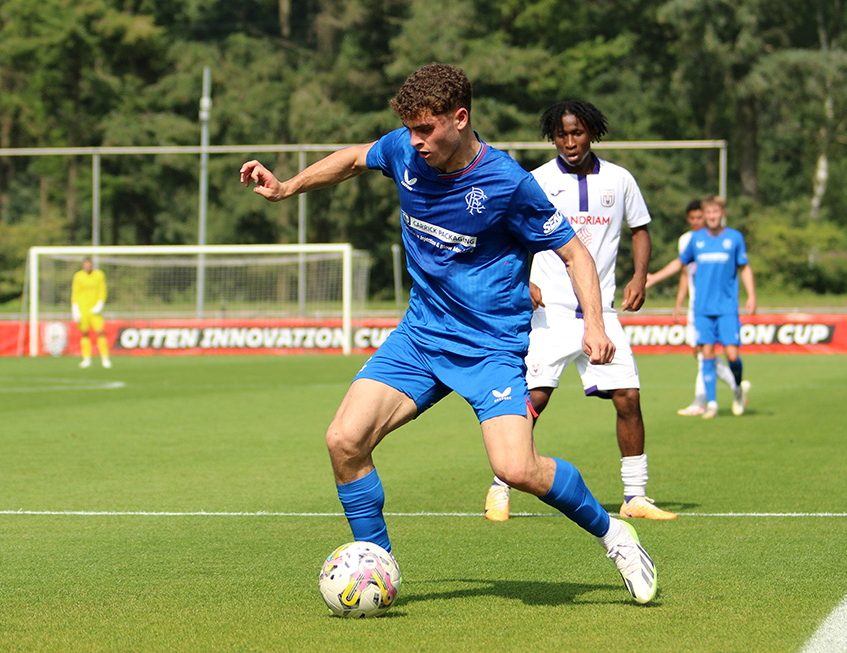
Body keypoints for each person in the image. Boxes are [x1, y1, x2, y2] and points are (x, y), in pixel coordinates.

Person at [239, 64, 656, 605]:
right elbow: (353, 158)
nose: (414, 142)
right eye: (409, 131)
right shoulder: (405, 152)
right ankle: (377, 565)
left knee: (516, 468)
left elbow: (574, 252)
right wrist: (288, 186)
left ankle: (616, 535)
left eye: (425, 130)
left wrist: (596, 324)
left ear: (459, 119)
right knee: (344, 440)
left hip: (489, 348)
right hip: (420, 337)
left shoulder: (507, 183)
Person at [483, 100, 676, 524]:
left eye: (578, 133)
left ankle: (635, 496)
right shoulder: (534, 180)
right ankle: (500, 487)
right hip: (548, 316)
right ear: (553, 137)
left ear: (593, 133)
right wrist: (523, 281)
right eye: (561, 134)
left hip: (601, 314)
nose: (570, 142)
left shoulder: (620, 180)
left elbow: (640, 230)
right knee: (532, 399)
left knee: (628, 398)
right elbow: (502, 233)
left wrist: (640, 276)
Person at [646, 200, 747, 416]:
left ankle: (737, 387)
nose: (708, 217)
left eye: (712, 212)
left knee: (730, 355)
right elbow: (683, 269)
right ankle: (709, 403)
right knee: (704, 354)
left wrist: (752, 296)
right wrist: (656, 280)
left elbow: (744, 267)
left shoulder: (733, 238)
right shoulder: (692, 240)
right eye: (705, 213)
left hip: (726, 308)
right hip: (700, 308)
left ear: (721, 214)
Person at [71, 257, 112, 369]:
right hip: (83, 309)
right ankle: (86, 358)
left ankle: (105, 358)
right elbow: (75, 292)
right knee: (84, 333)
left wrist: (100, 303)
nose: (87, 267)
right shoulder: (78, 276)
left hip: (95, 310)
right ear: (83, 265)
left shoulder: (99, 275)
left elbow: (102, 290)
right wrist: (75, 307)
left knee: (100, 332)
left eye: (89, 264)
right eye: (86, 264)